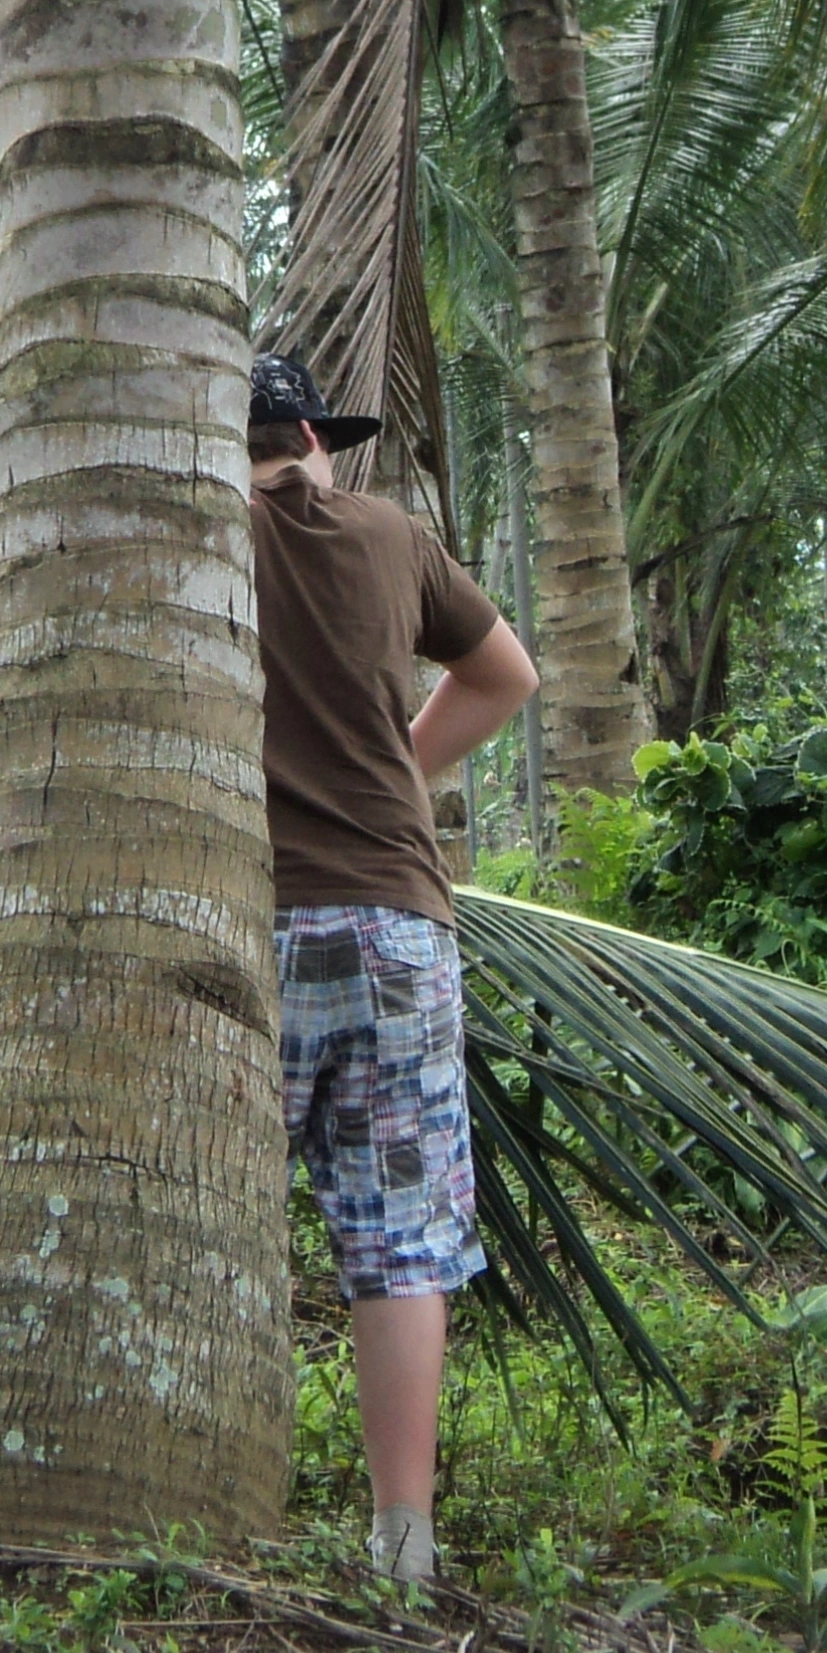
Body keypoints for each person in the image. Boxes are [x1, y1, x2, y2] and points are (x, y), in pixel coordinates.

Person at [247, 349, 539, 1586]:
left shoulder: (196, 537)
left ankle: (207, 1507)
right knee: (400, 1240)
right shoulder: (389, 534)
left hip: (244, 925)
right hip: (398, 930)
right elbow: (505, 677)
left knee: (217, 1210)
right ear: (316, 435)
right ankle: (401, 1544)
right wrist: (396, 775)